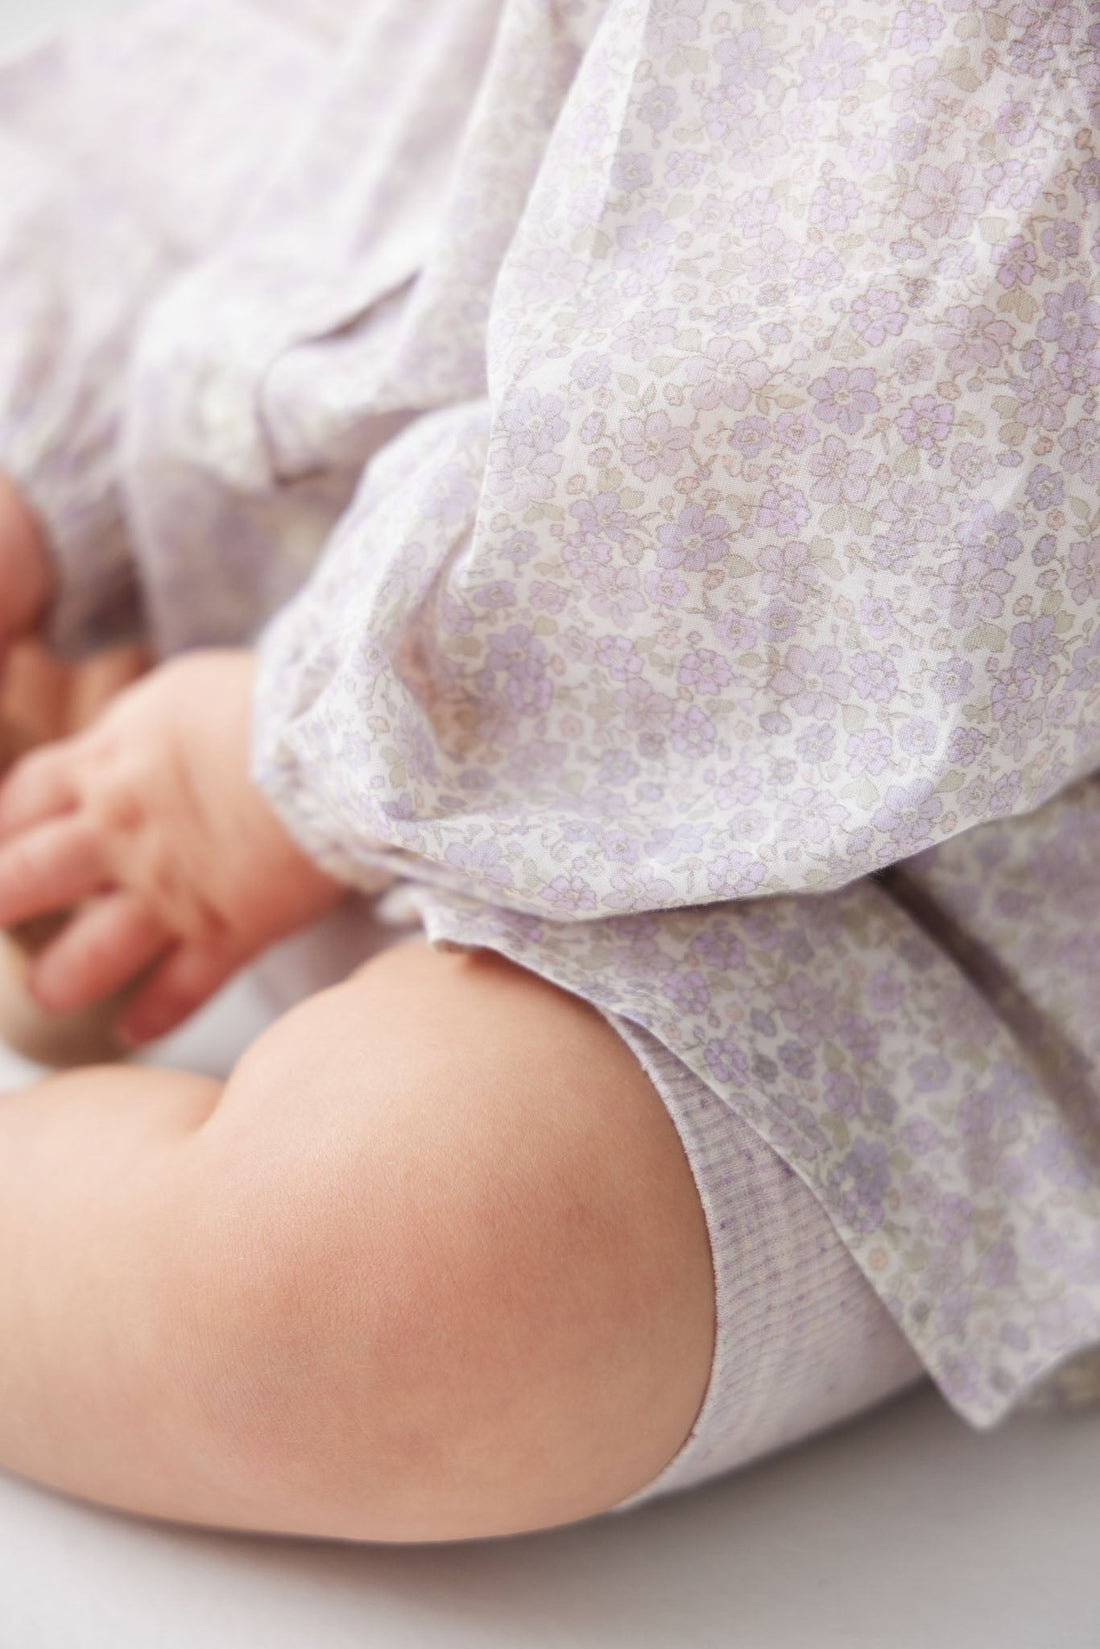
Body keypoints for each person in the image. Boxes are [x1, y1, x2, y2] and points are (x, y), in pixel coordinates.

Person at [0, 0, 1096, 1542]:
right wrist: (73, 447)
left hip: (918, 895)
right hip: (393, 566)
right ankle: (111, 757)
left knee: (396, 1260)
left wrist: (295, 749)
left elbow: (880, 445)